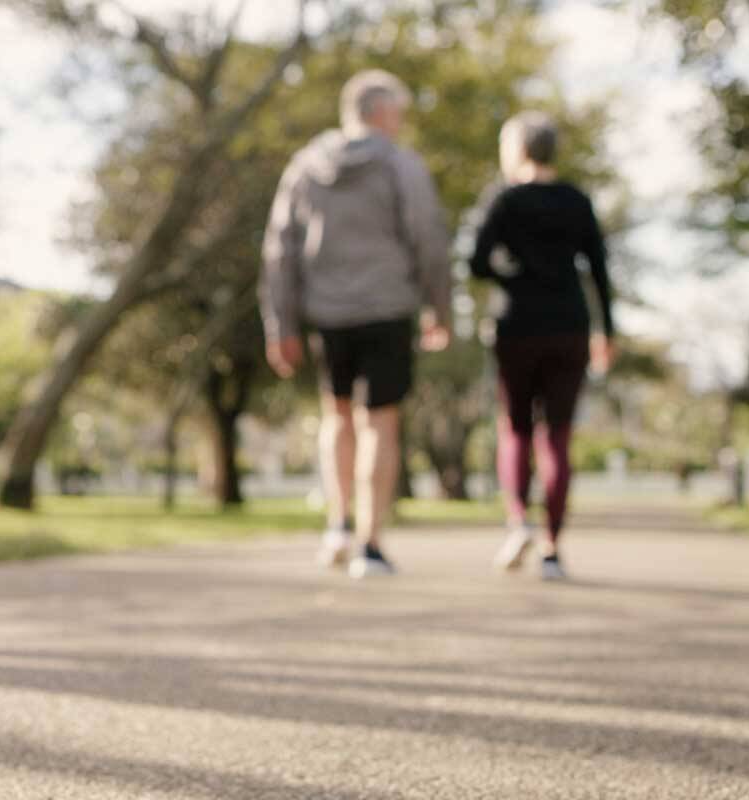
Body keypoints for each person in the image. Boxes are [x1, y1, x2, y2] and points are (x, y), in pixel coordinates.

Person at [260, 69, 452, 578]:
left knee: (336, 417)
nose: (401, 123)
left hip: (327, 314)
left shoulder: (305, 166)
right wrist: (440, 308)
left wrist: (280, 323)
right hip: (387, 308)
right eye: (398, 114)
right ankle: (369, 544)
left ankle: (337, 527)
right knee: (379, 423)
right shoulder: (400, 164)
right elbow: (429, 239)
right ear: (380, 113)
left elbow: (280, 248)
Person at [469, 111, 615, 581]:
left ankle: (519, 522)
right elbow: (598, 270)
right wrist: (605, 331)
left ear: (516, 151)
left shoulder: (505, 199)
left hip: (516, 325)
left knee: (515, 429)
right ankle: (552, 547)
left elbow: (475, 261)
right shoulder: (577, 201)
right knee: (557, 437)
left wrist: (513, 276)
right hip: (569, 325)